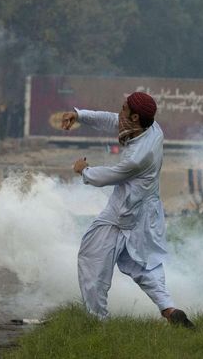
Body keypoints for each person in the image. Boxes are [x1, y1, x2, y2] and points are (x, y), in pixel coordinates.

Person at [61, 92, 195, 328]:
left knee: (92, 258)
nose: (119, 113)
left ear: (134, 116)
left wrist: (84, 170)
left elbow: (111, 176)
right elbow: (113, 120)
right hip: (147, 214)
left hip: (123, 213)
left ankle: (96, 321)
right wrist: (80, 115)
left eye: (124, 109)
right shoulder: (153, 128)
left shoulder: (137, 157)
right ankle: (169, 309)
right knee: (144, 265)